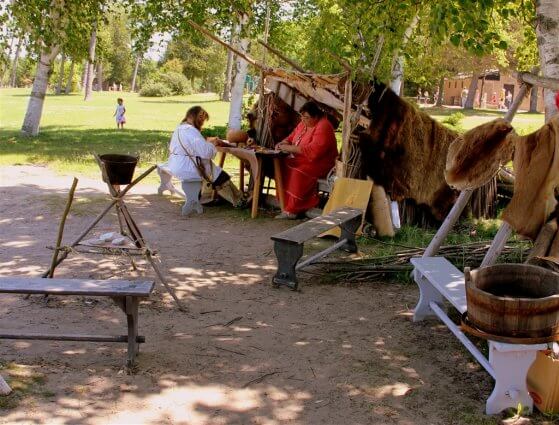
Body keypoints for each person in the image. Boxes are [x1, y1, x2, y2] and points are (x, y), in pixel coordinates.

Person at [166, 106, 245, 216]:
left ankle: (219, 197)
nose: (202, 123)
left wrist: (206, 143)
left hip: (177, 164)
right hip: (187, 167)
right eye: (201, 120)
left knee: (214, 170)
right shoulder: (190, 131)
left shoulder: (180, 128)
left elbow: (195, 148)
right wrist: (212, 144)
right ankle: (238, 201)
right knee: (219, 175)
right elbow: (206, 153)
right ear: (195, 117)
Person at [274, 101, 338, 219]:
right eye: (301, 117)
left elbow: (314, 151)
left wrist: (288, 148)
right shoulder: (304, 123)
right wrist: (284, 142)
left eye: (306, 117)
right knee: (282, 165)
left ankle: (293, 209)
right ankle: (284, 204)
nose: (303, 120)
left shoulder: (324, 126)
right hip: (303, 159)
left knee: (298, 171)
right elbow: (292, 136)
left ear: (316, 117)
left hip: (321, 163)